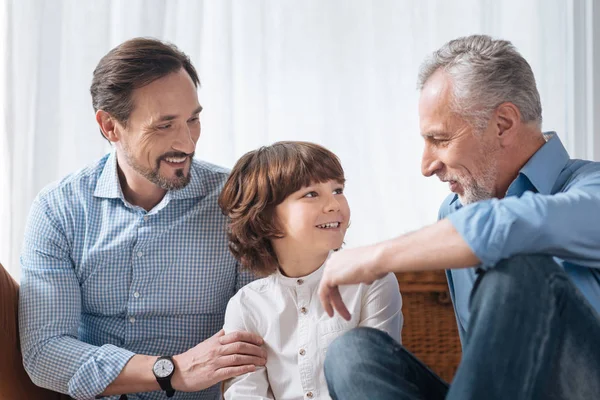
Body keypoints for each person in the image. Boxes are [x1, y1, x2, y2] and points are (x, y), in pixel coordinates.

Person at [319, 34, 600, 400]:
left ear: (502, 124)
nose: (426, 165)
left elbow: (510, 226)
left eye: (440, 139)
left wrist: (375, 256)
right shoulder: (454, 213)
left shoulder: (591, 190)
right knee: (351, 356)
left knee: (519, 270)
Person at [18, 37, 266, 400]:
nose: (188, 143)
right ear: (110, 127)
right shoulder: (59, 210)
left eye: (193, 120)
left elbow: (262, 334)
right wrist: (172, 370)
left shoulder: (238, 201)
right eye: (164, 126)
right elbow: (45, 352)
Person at [218, 141, 403, 399]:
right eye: (311, 194)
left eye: (338, 190)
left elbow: (377, 384)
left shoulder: (372, 282)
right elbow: (245, 393)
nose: (334, 205)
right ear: (265, 217)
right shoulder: (246, 306)